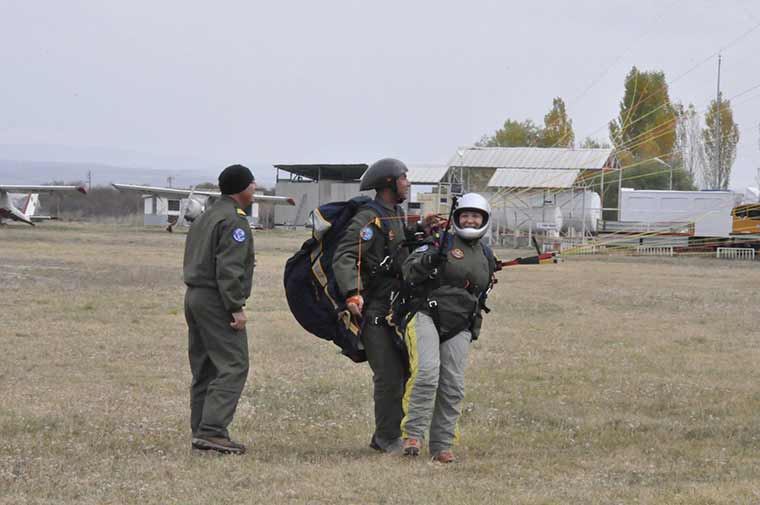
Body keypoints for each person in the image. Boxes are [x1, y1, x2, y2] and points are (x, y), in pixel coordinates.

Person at [399, 193, 496, 463]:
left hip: (461, 322)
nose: (470, 219)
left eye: (476, 216)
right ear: (456, 217)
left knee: (452, 384)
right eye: (465, 215)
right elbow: (409, 272)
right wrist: (429, 261)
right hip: (427, 313)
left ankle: (442, 444)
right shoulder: (440, 242)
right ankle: (414, 435)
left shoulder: (486, 254)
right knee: (428, 373)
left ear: (484, 219)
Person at [333, 158, 412, 453]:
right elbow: (345, 255)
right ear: (389, 184)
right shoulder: (368, 218)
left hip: (395, 307)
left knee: (403, 371)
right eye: (403, 178)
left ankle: (392, 433)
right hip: (374, 311)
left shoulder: (396, 214)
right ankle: (387, 438)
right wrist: (352, 293)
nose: (408, 182)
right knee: (389, 374)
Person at [183, 164, 257, 455]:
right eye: (252, 184)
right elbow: (228, 267)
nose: (255, 189)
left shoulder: (207, 215)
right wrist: (235, 307)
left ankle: (201, 430)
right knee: (233, 364)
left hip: (195, 296)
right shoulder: (234, 221)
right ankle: (213, 431)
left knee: (205, 368)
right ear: (242, 188)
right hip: (216, 300)